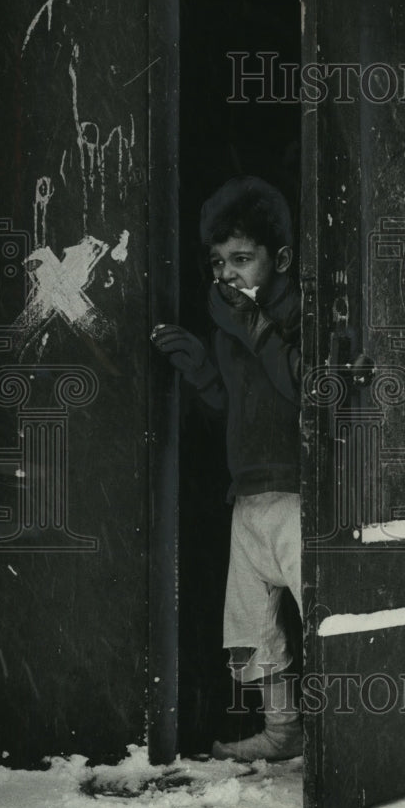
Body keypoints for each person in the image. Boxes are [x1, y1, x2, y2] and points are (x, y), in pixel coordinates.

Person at [151, 176, 302, 762]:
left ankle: (352, 733)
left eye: (243, 259)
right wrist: (201, 369)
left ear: (280, 258)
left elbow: (302, 386)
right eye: (218, 263)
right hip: (250, 491)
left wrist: (254, 327)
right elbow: (233, 407)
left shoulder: (296, 309)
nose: (228, 274)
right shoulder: (227, 323)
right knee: (251, 617)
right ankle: (284, 728)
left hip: (297, 488)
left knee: (318, 608)